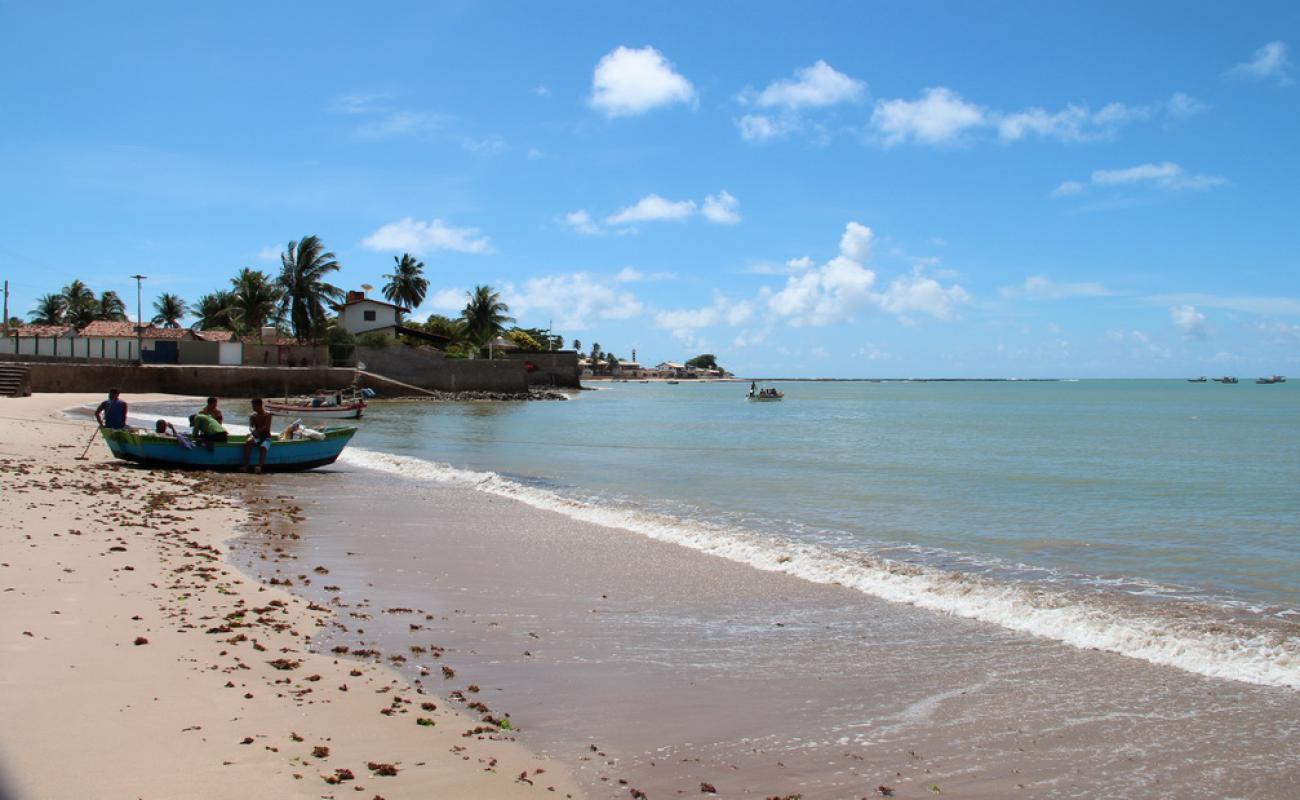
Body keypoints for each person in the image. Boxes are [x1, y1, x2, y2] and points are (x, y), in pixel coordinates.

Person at [242, 397, 274, 473]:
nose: (253, 407)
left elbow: (266, 427)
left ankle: (259, 466)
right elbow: (251, 426)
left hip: (266, 437)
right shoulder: (252, 415)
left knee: (263, 447)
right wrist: (252, 431)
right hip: (256, 436)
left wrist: (257, 431)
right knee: (248, 442)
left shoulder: (267, 414)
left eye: (254, 406)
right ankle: (246, 465)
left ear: (259, 405)